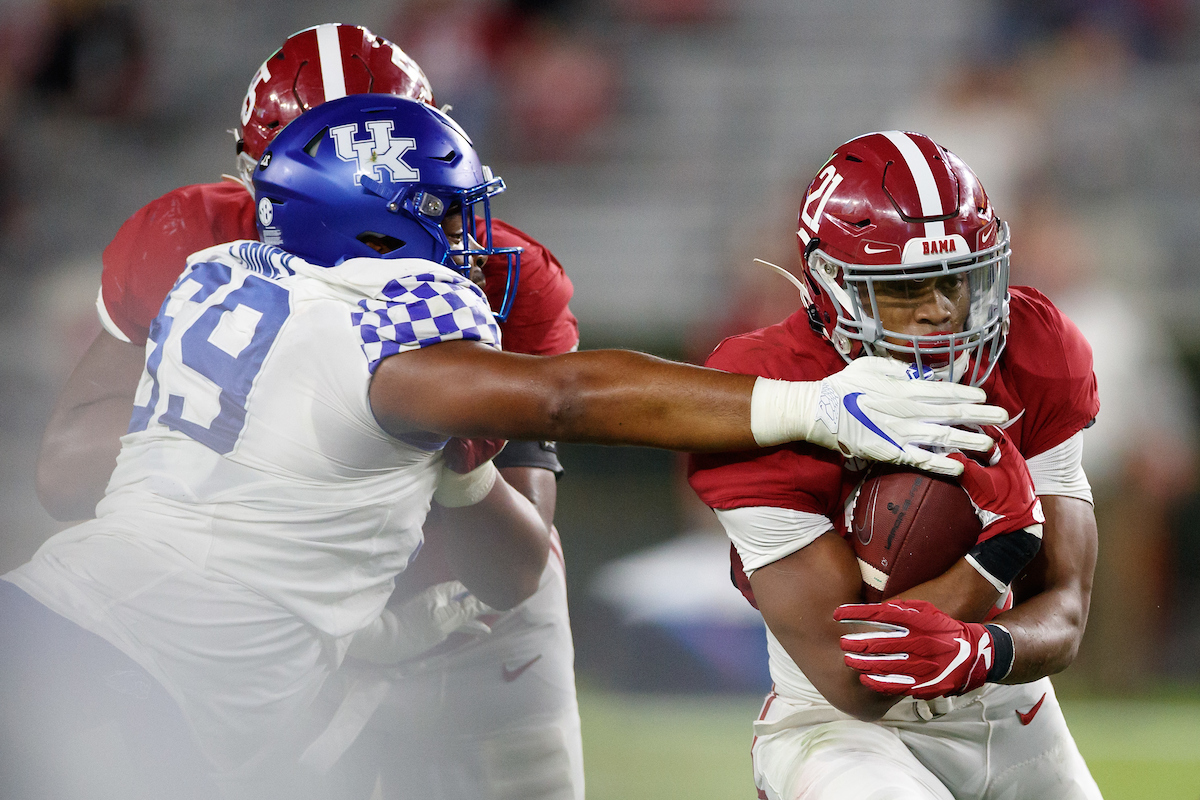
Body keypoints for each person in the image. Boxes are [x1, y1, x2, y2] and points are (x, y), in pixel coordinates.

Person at [2, 98, 1005, 800]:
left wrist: (459, 463)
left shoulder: (216, 273)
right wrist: (812, 407)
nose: (470, 240)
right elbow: (565, 394)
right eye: (441, 216)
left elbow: (497, 540)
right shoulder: (374, 345)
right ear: (374, 232)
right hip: (140, 688)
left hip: (46, 621)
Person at [35, 23, 587, 800]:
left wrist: (427, 429)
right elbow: (63, 474)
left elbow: (515, 564)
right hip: (255, 616)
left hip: (459, 623)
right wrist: (238, 397)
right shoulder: (193, 244)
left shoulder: (500, 281)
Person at [688, 130, 1104, 799]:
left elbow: (1066, 611)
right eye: (908, 288)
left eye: (959, 279)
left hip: (1008, 705)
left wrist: (983, 649)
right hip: (842, 729)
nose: (942, 309)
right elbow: (851, 680)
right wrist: (992, 558)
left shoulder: (1035, 345)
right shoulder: (765, 386)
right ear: (834, 288)